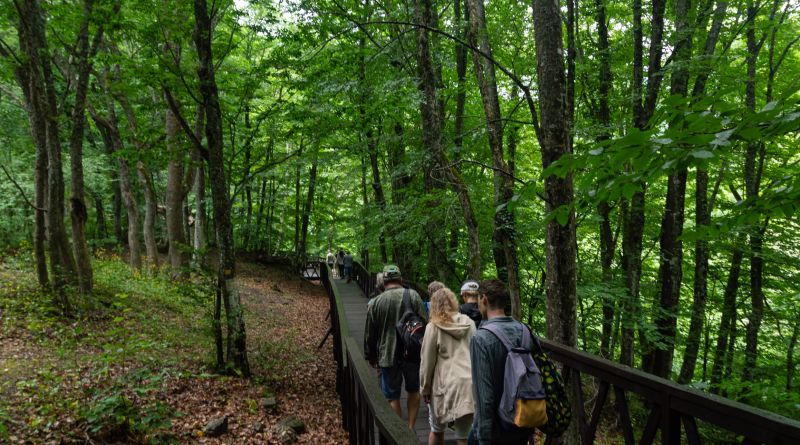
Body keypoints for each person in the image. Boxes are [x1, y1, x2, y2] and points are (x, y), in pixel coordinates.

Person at [468, 279, 535, 445]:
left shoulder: (481, 338)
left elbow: (485, 397)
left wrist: (483, 437)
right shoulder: (525, 331)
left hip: (496, 430)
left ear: (483, 299)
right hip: (522, 423)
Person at [364, 264, 428, 429]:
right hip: (412, 353)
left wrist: (371, 355)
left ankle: (400, 432)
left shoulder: (376, 302)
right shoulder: (413, 295)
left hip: (387, 355)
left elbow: (370, 334)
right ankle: (411, 428)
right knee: (414, 390)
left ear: (384, 282)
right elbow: (425, 323)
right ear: (400, 279)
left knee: (392, 397)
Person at [420, 287, 476, 445]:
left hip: (444, 386)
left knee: (437, 429)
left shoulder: (433, 327)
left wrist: (425, 387)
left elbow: (427, 361)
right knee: (464, 435)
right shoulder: (469, 324)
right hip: (468, 383)